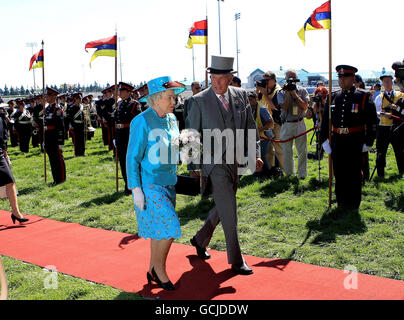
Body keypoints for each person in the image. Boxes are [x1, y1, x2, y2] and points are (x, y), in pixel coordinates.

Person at [185, 55, 263, 275]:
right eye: (213, 77)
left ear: (230, 78)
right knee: (230, 209)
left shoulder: (241, 96)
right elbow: (190, 134)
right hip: (213, 163)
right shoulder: (198, 100)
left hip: (236, 161)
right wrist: (193, 166)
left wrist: (255, 154)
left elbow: (250, 129)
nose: (216, 82)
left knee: (224, 204)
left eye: (221, 78)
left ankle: (200, 239)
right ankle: (237, 260)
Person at [127, 76, 186, 291]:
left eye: (174, 97)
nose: (174, 101)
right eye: (170, 97)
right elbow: (132, 157)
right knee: (170, 227)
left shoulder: (171, 119)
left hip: (169, 181)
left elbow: (174, 145)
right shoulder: (141, 121)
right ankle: (160, 271)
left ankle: (152, 268)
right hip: (150, 184)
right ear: (156, 99)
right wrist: (136, 189)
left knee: (158, 230)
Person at [320, 65, 377, 209]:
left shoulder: (363, 97)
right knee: (339, 172)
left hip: (355, 140)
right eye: (340, 77)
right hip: (338, 140)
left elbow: (372, 122)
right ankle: (341, 202)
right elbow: (325, 121)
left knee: (354, 173)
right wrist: (324, 140)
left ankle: (353, 204)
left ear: (353, 78)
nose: (341, 80)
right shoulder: (333, 97)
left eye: (345, 77)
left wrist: (368, 142)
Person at [277, 69, 309, 179]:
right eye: (289, 78)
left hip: (299, 122)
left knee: (302, 150)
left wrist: (294, 94)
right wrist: (287, 94)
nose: (291, 80)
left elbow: (305, 106)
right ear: (285, 79)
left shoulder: (303, 90)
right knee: (287, 151)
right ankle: (290, 173)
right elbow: (284, 107)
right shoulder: (280, 92)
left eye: (293, 77)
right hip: (287, 123)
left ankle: (302, 174)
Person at [0, 106, 28, 224]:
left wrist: (5, 153)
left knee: (10, 180)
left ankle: (16, 213)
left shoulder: (1, 116)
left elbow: (3, 137)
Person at [113, 82, 142, 195]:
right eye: (119, 91)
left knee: (131, 161)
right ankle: (127, 184)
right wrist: (115, 137)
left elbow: (138, 123)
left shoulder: (134, 105)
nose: (119, 93)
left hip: (130, 136)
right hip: (120, 136)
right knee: (122, 161)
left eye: (122, 91)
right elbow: (116, 122)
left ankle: (134, 185)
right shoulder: (119, 104)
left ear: (129, 92)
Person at [374, 74, 404, 177]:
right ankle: (380, 173)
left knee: (399, 151)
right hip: (383, 127)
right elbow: (376, 112)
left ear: (392, 82)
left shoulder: (400, 95)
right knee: (381, 151)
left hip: (397, 127)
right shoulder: (379, 97)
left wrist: (396, 109)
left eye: (389, 81)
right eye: (385, 81)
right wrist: (382, 113)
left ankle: (402, 172)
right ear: (382, 83)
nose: (387, 83)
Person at [256, 71, 284, 175]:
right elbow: (257, 101)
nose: (266, 82)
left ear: (274, 79)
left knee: (279, 148)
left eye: (267, 80)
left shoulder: (278, 91)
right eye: (264, 80)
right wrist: (258, 90)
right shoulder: (264, 90)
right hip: (266, 123)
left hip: (276, 123)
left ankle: (285, 170)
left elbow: (274, 106)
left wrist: (264, 93)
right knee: (268, 150)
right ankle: (271, 169)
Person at [248, 90, 274, 175]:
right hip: (255, 136)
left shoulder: (262, 109)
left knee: (261, 155)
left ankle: (266, 172)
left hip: (264, 135)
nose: (249, 102)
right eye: (247, 100)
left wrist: (259, 130)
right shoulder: (249, 108)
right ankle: (258, 172)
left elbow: (270, 123)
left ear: (256, 99)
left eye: (250, 100)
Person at [44, 87, 66, 185]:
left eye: (48, 95)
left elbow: (61, 127)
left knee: (58, 159)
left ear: (54, 96)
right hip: (48, 137)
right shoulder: (47, 109)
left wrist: (61, 141)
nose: (46, 97)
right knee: (52, 159)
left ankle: (61, 179)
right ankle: (55, 179)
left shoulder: (57, 110)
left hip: (55, 137)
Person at [67, 92, 86, 156]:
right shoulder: (72, 107)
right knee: (76, 140)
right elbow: (69, 118)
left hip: (82, 125)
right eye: (79, 98)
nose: (80, 100)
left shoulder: (82, 107)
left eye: (81, 98)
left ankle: (82, 152)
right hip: (75, 125)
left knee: (82, 139)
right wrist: (71, 126)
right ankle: (77, 153)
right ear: (75, 99)